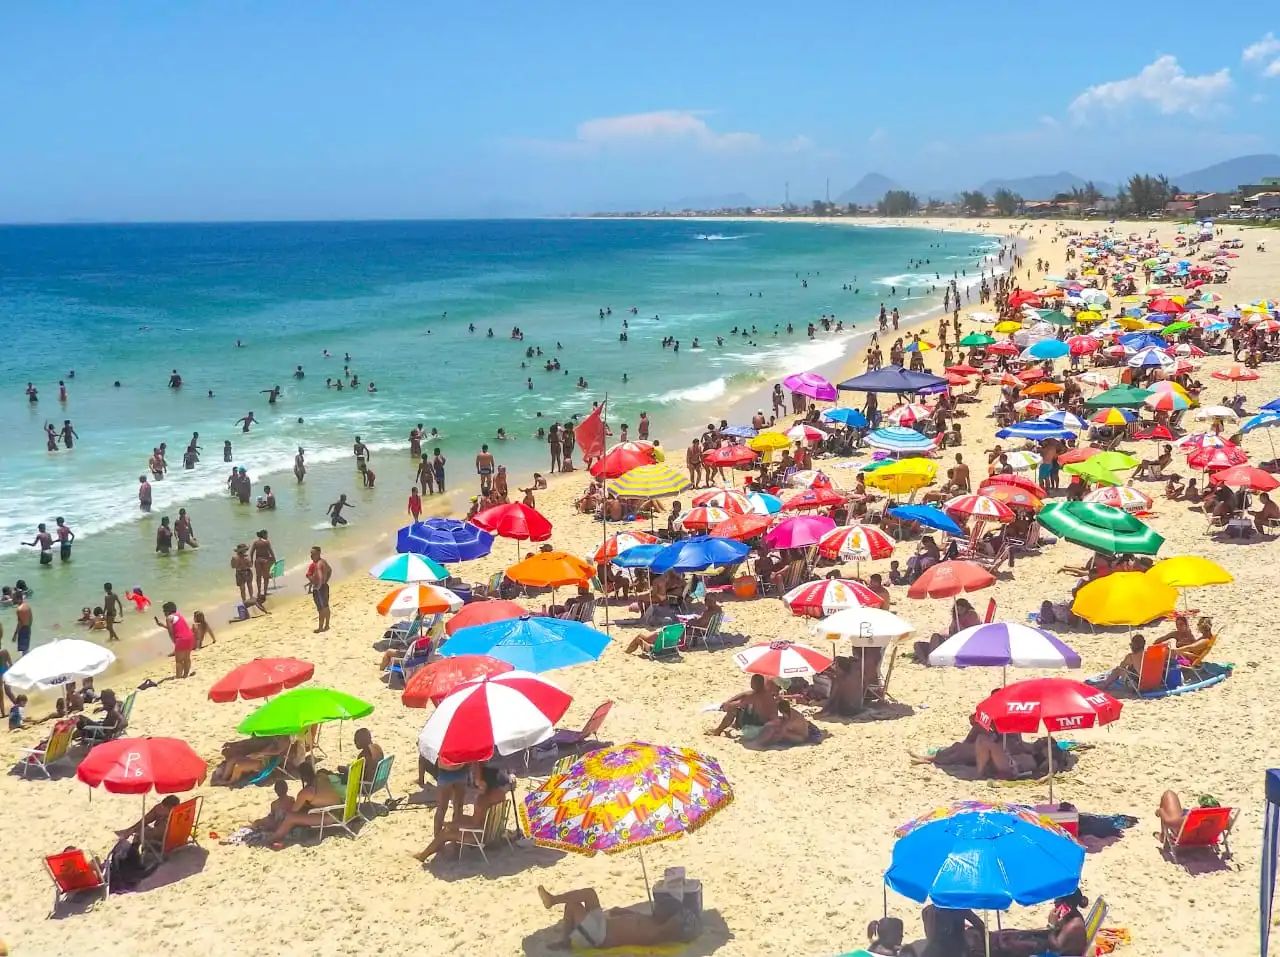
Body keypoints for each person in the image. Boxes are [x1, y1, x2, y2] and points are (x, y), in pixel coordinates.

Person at [536, 884, 688, 950]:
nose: (659, 908)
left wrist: (676, 920)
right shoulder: (651, 919)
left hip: (599, 936)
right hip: (602, 923)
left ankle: (565, 941)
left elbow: (669, 927)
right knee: (590, 893)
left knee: (573, 906)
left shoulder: (657, 932)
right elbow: (634, 919)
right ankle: (553, 901)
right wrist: (623, 912)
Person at [412, 763, 509, 862]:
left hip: (480, 836)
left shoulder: (482, 800)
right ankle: (442, 848)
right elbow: (480, 819)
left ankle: (423, 856)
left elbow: (473, 825)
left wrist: (451, 824)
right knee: (459, 818)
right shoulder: (500, 794)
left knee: (444, 833)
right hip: (494, 832)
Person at [263, 761, 345, 846]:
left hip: (331, 817)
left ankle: (275, 837)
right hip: (341, 809)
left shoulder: (306, 792)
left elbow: (293, 811)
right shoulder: (322, 776)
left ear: (302, 777)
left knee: (291, 818)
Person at [988, 889, 1090, 957]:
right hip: (1054, 946)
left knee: (1015, 946)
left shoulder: (1073, 925)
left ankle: (998, 947)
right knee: (1016, 933)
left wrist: (1051, 925)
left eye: (1058, 900)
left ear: (1069, 904)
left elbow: (1055, 947)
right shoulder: (1070, 915)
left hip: (1056, 952)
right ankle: (997, 939)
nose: (1055, 902)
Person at [706, 674, 778, 736]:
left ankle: (717, 731)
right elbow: (745, 694)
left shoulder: (754, 696)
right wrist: (729, 701)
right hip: (767, 721)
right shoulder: (766, 691)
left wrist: (726, 705)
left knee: (733, 709)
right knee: (746, 707)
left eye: (752, 681)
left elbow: (735, 705)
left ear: (754, 684)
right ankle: (735, 725)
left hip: (760, 724)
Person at [920, 904, 985, 957]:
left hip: (931, 950)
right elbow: (979, 924)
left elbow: (928, 932)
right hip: (956, 949)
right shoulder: (959, 907)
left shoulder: (926, 910)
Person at [155, 601, 196, 679]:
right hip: (190, 637)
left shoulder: (168, 618)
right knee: (186, 658)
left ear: (167, 611)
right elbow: (177, 628)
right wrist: (163, 625)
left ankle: (178, 677)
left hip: (181, 639)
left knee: (179, 660)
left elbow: (171, 632)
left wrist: (174, 642)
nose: (163, 612)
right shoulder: (178, 615)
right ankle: (185, 675)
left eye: (164, 611)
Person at [747, 699, 812, 747]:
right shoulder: (789, 711)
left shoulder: (793, 718)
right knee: (775, 726)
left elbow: (782, 732)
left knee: (780, 731)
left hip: (801, 737)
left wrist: (770, 743)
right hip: (796, 731)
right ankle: (760, 740)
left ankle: (760, 742)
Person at [307, 546, 332, 633]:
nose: (311, 555)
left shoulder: (318, 564)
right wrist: (326, 580)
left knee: (320, 609)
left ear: (318, 554)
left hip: (320, 588)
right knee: (326, 606)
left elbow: (320, 576)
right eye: (311, 553)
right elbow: (330, 570)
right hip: (325, 586)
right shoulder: (323, 561)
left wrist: (318, 585)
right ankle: (327, 625)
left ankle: (320, 627)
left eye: (313, 553)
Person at [249, 530, 276, 602]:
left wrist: (251, 560)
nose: (267, 536)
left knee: (258, 577)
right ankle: (265, 592)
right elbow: (270, 551)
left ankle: (259, 592)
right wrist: (274, 559)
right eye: (267, 535)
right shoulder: (266, 542)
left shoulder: (255, 542)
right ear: (264, 535)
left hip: (258, 561)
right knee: (266, 577)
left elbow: (251, 553)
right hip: (265, 560)